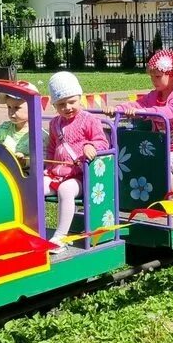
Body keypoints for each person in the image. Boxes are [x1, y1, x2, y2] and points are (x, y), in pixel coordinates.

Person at [104, 49, 173, 194]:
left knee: (160, 159)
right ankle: (133, 193)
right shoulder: (154, 96)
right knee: (133, 155)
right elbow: (137, 105)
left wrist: (142, 113)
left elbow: (168, 113)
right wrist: (118, 109)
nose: (154, 80)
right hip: (159, 148)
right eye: (151, 77)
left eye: (158, 76)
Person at [44, 72, 110, 253]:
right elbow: (51, 147)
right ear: (55, 105)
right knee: (34, 186)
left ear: (80, 98)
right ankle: (33, 230)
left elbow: (103, 142)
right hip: (57, 173)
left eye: (72, 102)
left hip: (81, 176)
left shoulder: (89, 120)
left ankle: (60, 236)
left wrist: (91, 146)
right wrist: (48, 167)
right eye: (61, 104)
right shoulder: (55, 124)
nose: (67, 107)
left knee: (66, 190)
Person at [0, 82, 45, 167]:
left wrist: (25, 162)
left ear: (33, 107)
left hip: (27, 176)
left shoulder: (40, 135)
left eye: (17, 107)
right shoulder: (3, 129)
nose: (11, 112)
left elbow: (44, 158)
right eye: (9, 107)